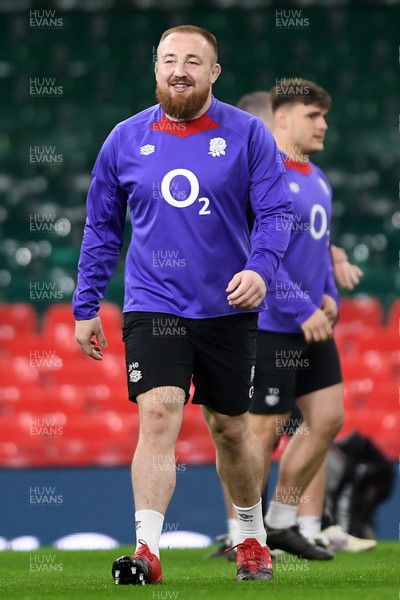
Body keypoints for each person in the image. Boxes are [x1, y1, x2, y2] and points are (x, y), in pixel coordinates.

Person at [72, 25, 292, 584]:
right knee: (158, 410)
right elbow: (101, 228)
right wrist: (85, 304)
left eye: (193, 61)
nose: (180, 70)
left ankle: (250, 537)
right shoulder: (124, 138)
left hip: (228, 305)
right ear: (155, 68)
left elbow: (275, 214)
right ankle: (147, 551)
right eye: (169, 59)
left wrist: (260, 271)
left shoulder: (247, 135)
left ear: (213, 72)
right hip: (154, 302)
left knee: (230, 429)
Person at [213, 87, 366, 561]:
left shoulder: (318, 178)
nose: (323, 125)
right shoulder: (263, 174)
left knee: (327, 420)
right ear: (281, 119)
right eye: (313, 115)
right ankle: (245, 534)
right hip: (270, 323)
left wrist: (330, 297)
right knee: (260, 432)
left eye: (325, 116)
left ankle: (281, 522)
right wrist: (303, 309)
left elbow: (318, 250)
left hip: (310, 322)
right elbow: (258, 254)